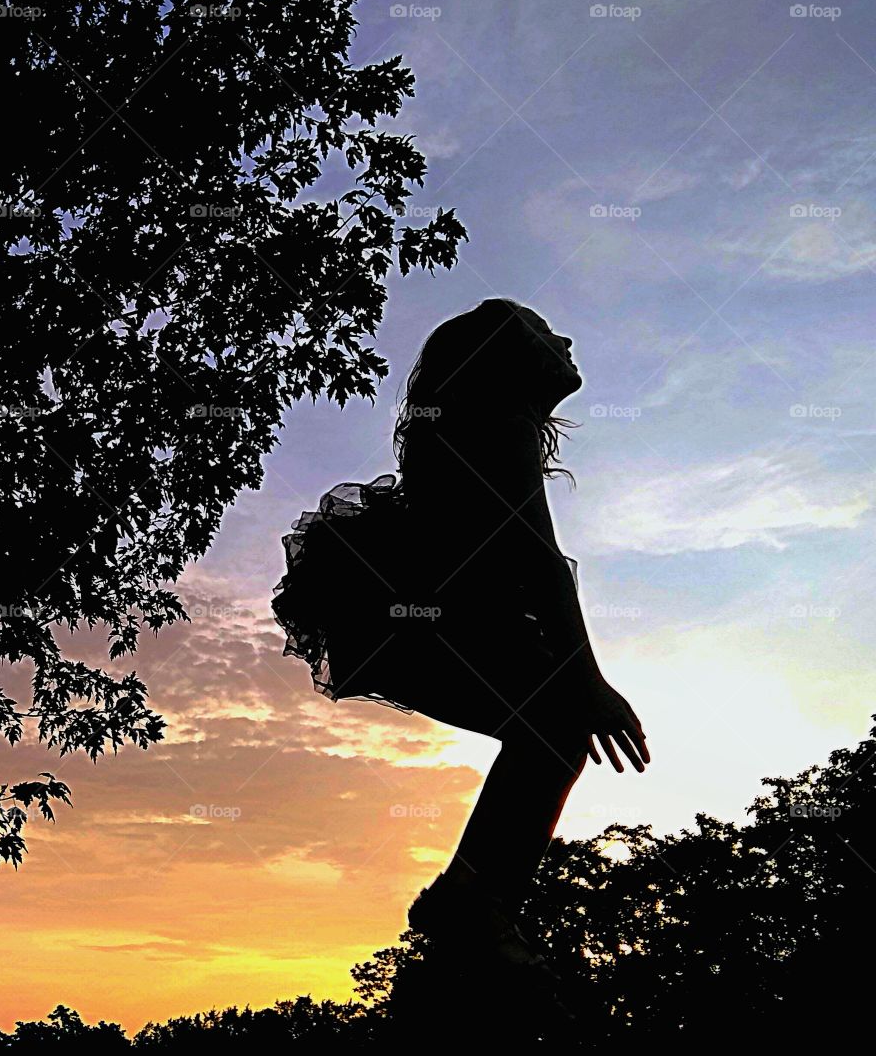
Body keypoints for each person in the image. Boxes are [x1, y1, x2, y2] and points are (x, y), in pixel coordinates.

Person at [272, 297, 649, 1002]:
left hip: (429, 617)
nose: (563, 334)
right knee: (560, 722)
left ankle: (476, 896)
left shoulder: (492, 430)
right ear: (509, 360)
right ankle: (474, 899)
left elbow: (530, 567)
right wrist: (589, 679)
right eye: (542, 329)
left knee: (553, 729)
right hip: (430, 617)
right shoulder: (501, 429)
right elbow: (544, 567)